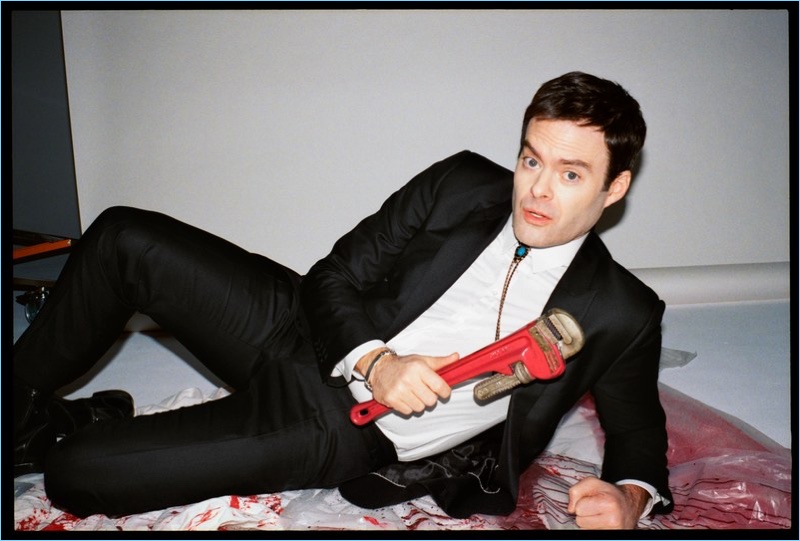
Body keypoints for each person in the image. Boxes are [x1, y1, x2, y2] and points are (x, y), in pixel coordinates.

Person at [13, 71, 673, 529]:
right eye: (531, 160)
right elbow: (332, 275)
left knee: (76, 472)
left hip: (338, 423)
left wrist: (630, 497)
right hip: (304, 325)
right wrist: (376, 360)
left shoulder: (624, 311)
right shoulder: (463, 182)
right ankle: (16, 411)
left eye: (570, 174)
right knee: (123, 237)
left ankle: (75, 428)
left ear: (614, 188)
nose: (536, 191)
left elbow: (638, 434)